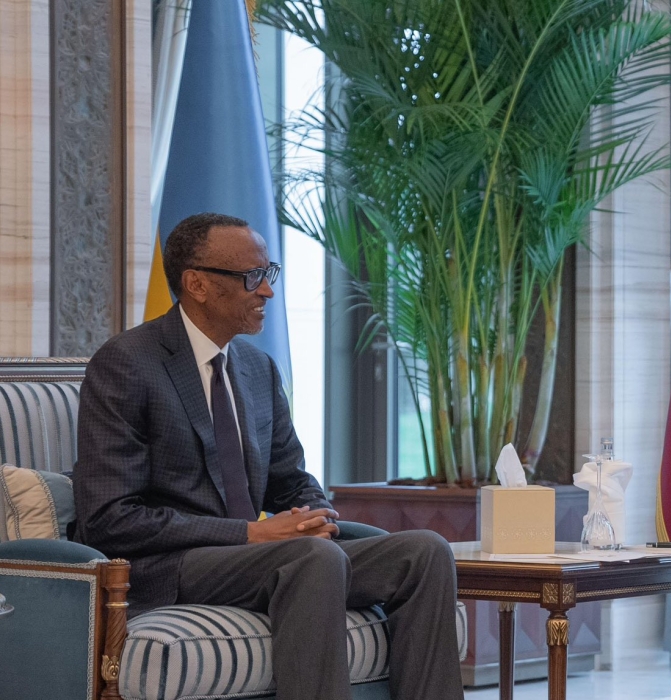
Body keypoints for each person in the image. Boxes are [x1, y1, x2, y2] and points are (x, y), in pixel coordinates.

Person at [73, 212, 464, 700]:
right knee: (311, 558)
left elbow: (290, 478)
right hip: (170, 565)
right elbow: (111, 519)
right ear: (196, 283)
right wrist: (251, 532)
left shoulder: (257, 368)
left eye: (269, 274)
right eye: (251, 278)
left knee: (425, 551)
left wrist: (313, 513)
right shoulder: (127, 364)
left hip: (259, 557)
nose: (267, 292)